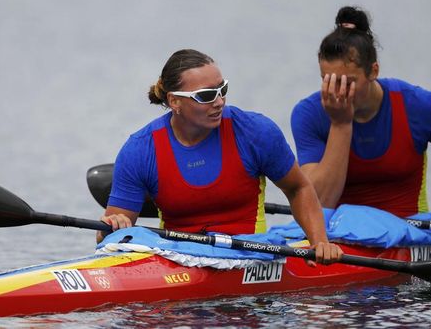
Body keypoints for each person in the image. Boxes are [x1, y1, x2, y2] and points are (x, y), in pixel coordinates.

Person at [97, 49, 342, 265]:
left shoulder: (254, 131)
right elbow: (109, 238)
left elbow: (299, 188)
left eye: (222, 89)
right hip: (178, 259)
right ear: (174, 101)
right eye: (206, 96)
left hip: (251, 256)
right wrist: (112, 226)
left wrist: (318, 242)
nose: (220, 101)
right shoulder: (140, 150)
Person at [291, 6, 431, 217]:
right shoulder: (308, 115)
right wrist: (341, 124)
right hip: (339, 239)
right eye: (329, 81)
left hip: (409, 235)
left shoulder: (419, 106)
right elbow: (319, 203)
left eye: (348, 82)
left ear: (373, 71)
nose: (338, 92)